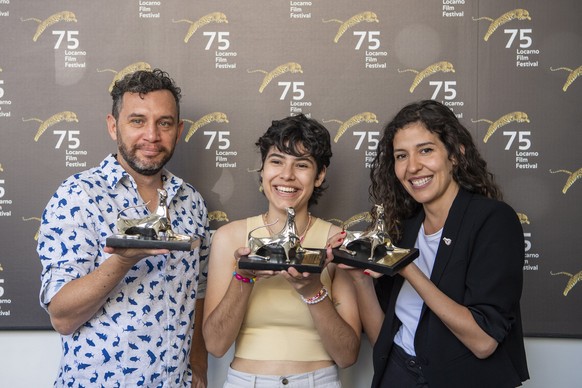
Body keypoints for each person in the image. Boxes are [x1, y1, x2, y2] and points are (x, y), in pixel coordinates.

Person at [37, 69, 210, 387]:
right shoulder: (79, 196)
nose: (152, 136)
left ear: (179, 129)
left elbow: (197, 294)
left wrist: (199, 367)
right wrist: (122, 260)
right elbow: (62, 317)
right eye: (137, 121)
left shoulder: (192, 202)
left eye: (164, 123)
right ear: (113, 126)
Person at [344, 100, 529, 387]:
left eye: (426, 150)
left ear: (455, 155)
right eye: (401, 156)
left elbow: (484, 342)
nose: (413, 167)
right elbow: (383, 335)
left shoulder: (492, 220)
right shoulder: (403, 226)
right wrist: (359, 277)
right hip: (398, 374)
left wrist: (405, 267)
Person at [203, 114, 361, 387]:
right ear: (263, 170)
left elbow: (347, 355)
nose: (286, 175)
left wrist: (313, 291)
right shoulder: (230, 238)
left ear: (320, 175)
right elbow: (215, 345)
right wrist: (244, 276)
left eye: (301, 165)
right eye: (276, 161)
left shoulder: (337, 242)